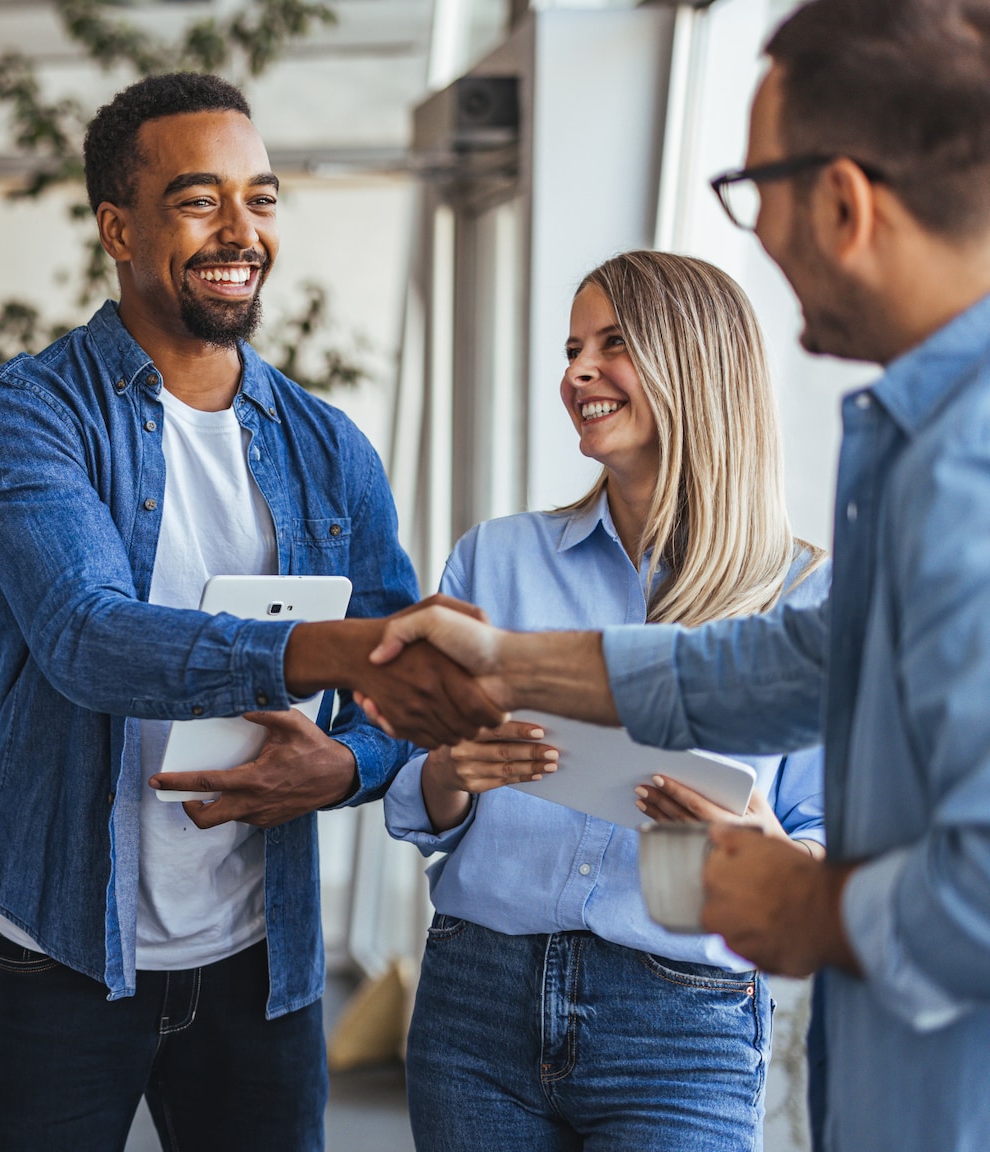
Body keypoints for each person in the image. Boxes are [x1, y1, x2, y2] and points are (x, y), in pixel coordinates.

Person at [366, 2, 990, 1147]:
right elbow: (782, 664)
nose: (753, 237)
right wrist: (506, 663)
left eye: (753, 192)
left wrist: (805, 901)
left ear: (843, 202)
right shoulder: (909, 440)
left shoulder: (961, 464)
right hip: (493, 997)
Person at [0, 72, 497, 1152]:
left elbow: (392, 700)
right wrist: (321, 648)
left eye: (261, 197)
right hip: (59, 952)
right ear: (118, 225)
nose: (238, 231)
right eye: (199, 200)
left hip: (257, 961)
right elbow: (85, 638)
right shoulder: (31, 412)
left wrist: (344, 768)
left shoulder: (325, 445)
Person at [387, 250, 829, 1150]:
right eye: (571, 346)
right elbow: (411, 781)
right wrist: (450, 775)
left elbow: (829, 836)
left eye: (613, 343)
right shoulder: (496, 559)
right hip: (479, 997)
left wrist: (768, 851)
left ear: (695, 364)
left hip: (684, 1022)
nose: (577, 372)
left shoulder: (806, 595)